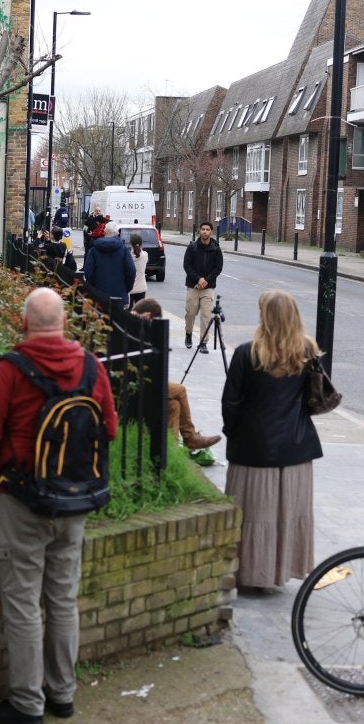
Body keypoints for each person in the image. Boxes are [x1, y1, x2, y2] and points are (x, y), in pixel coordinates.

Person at [0, 288, 118, 724]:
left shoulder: (11, 370)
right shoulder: (92, 367)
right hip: (75, 500)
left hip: (23, 499)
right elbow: (108, 429)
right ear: (65, 324)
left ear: (24, 324)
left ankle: (26, 702)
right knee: (62, 598)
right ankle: (63, 693)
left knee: (22, 604)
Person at [220, 290, 322, 592]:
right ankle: (279, 572)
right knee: (287, 516)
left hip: (253, 451)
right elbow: (315, 400)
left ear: (265, 316)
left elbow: (231, 404)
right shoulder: (307, 353)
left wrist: (234, 434)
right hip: (295, 450)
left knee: (253, 516)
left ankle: (250, 573)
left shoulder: (247, 353)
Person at [131, 299, 221, 450]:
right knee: (180, 390)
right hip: (140, 383)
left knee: (174, 405)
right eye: (153, 321)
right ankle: (190, 438)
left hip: (142, 380)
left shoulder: (130, 322)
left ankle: (171, 449)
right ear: (147, 316)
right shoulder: (134, 328)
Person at [182, 221, 223, 353]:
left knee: (206, 316)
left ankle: (203, 342)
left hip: (208, 288)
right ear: (199, 231)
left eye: (207, 229)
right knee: (190, 314)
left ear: (211, 232)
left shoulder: (216, 249)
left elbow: (218, 268)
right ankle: (188, 334)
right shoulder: (193, 247)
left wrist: (206, 280)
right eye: (203, 229)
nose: (205, 231)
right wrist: (198, 279)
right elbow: (187, 266)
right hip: (193, 286)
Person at [83, 221, 135, 306]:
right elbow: (131, 271)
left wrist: (94, 288)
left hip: (99, 295)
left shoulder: (94, 250)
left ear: (104, 232)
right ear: (117, 233)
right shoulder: (124, 250)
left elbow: (88, 272)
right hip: (119, 295)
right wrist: (126, 288)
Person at [128, 233, 148, 308]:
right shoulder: (145, 255)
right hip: (141, 288)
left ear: (131, 244)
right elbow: (139, 253)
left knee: (129, 313)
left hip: (130, 289)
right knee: (140, 312)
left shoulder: (128, 256)